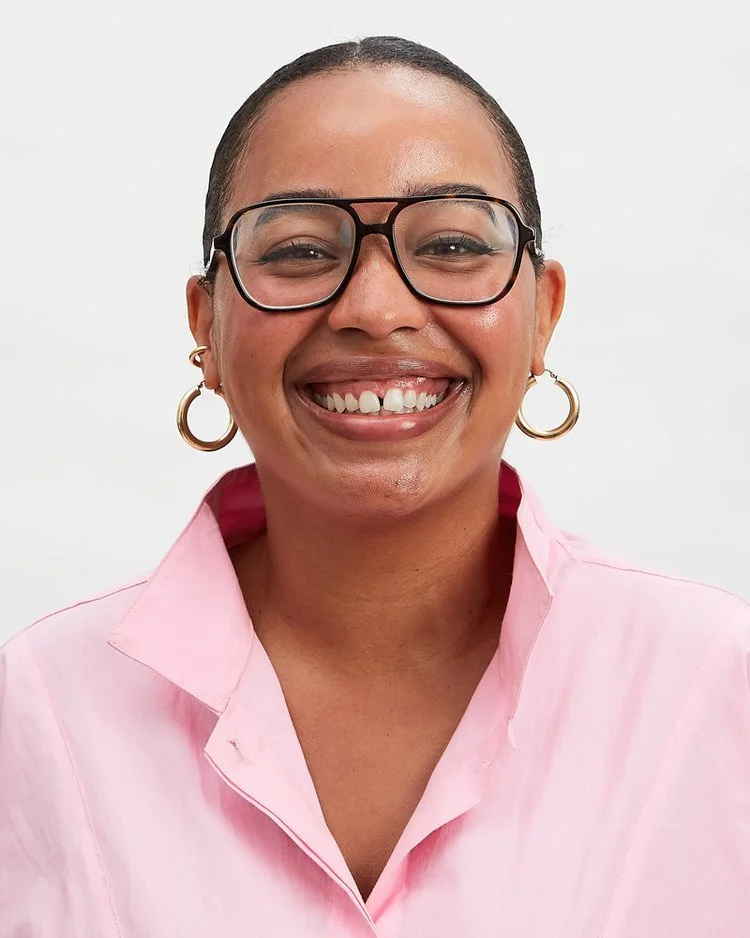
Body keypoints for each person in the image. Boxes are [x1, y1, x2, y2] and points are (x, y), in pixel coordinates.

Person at [1, 35, 748, 938]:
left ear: (543, 312)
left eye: (451, 243)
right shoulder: (34, 708)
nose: (375, 307)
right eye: (302, 253)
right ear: (207, 326)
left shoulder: (716, 682)